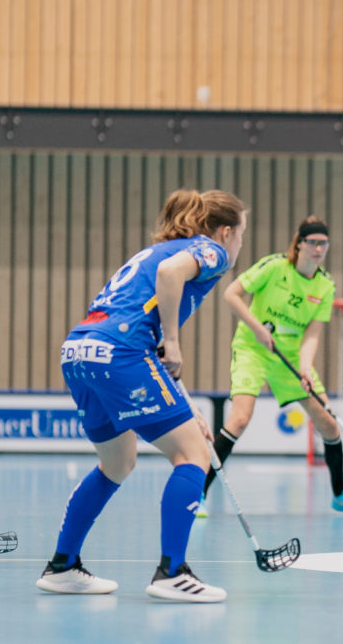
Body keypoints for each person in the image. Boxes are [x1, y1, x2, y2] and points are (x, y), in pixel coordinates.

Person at [37, 189, 247, 603]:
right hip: (121, 351)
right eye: (242, 233)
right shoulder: (211, 251)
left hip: (80, 350)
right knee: (193, 456)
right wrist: (173, 340)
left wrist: (180, 406)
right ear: (226, 232)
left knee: (117, 463)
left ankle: (62, 566)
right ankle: (173, 572)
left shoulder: (162, 247)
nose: (240, 243)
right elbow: (171, 275)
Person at [198, 216, 343, 517]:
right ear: (300, 243)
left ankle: (340, 493)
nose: (319, 249)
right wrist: (257, 329)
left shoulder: (325, 285)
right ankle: (198, 493)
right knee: (239, 420)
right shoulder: (274, 266)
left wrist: (306, 367)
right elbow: (231, 294)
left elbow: (313, 333)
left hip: (290, 357)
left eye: (324, 243)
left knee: (328, 423)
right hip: (253, 348)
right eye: (313, 242)